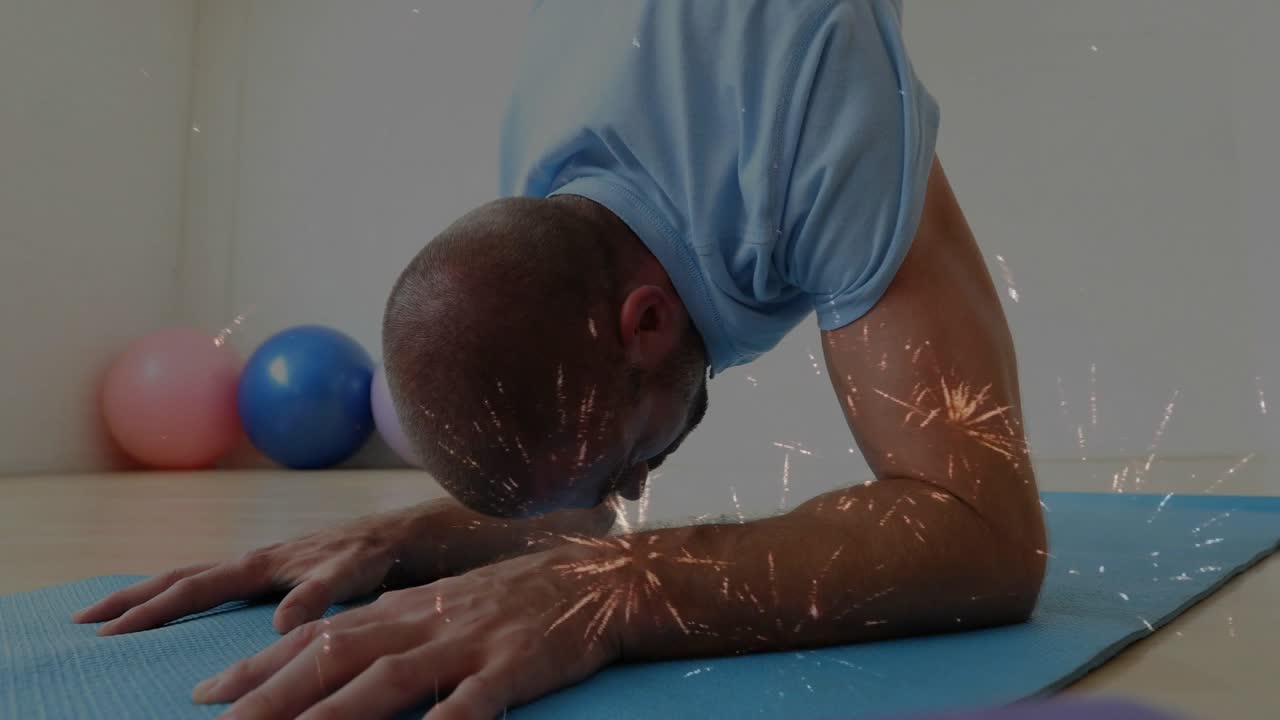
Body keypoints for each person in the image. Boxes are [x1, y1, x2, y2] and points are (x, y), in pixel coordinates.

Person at [72, 1, 1047, 717]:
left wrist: (617, 587)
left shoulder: (810, 87)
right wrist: (412, 535)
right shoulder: (549, 173)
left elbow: (979, 530)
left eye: (617, 463)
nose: (632, 483)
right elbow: (588, 494)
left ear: (646, 322)